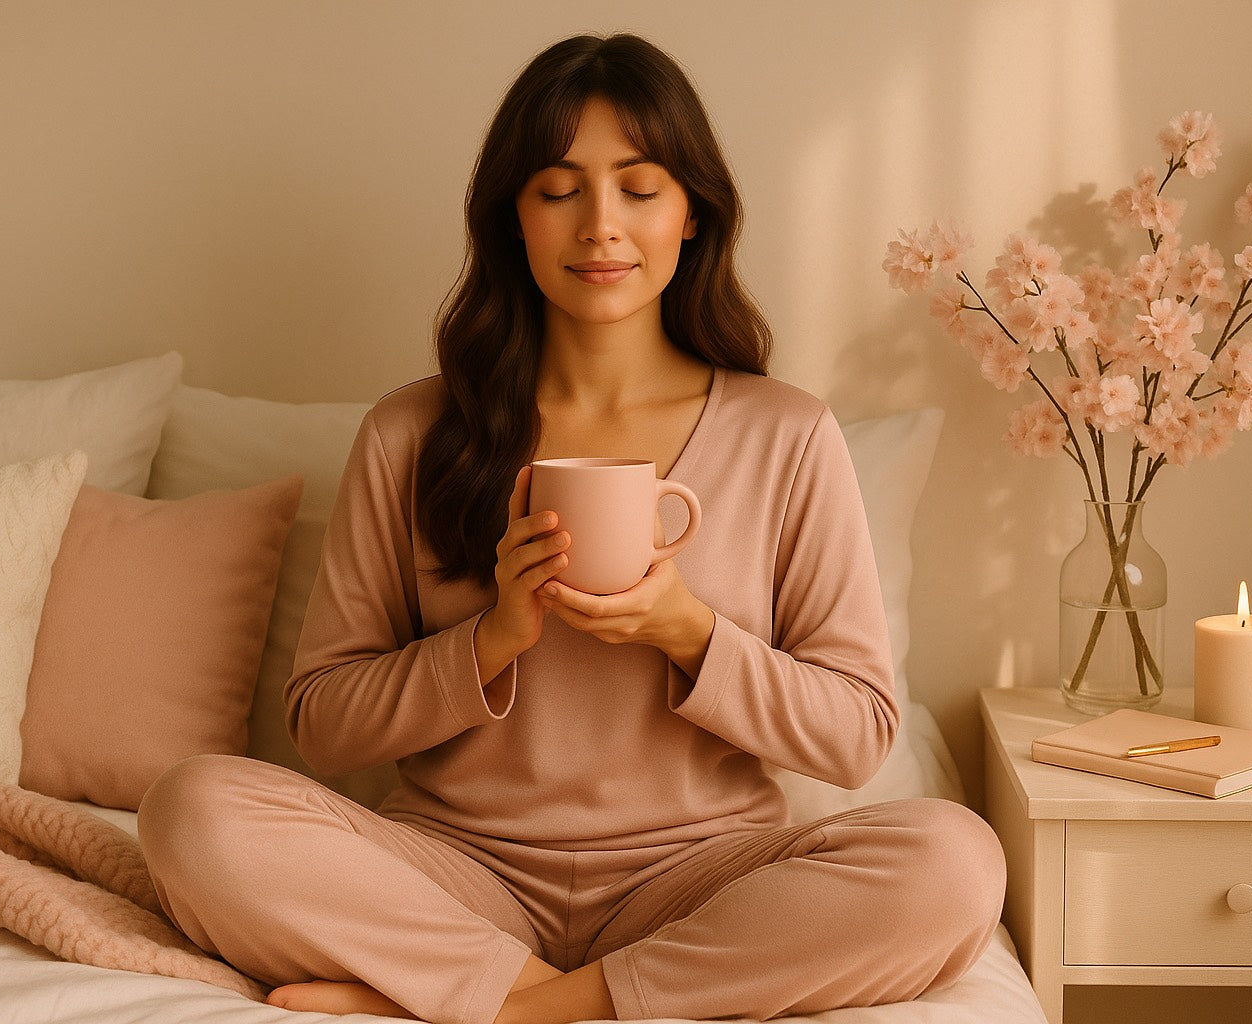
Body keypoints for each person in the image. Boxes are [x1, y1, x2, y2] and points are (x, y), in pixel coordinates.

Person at [137, 32, 1005, 1024]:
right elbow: (325, 722)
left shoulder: (787, 432)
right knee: (190, 809)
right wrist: (492, 639)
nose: (601, 225)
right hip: (455, 873)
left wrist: (688, 632)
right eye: (559, 189)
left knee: (955, 861)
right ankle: (549, 990)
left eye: (639, 187)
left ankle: (514, 1006)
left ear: (693, 215)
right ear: (513, 217)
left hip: (702, 885)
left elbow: (858, 738)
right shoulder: (412, 431)